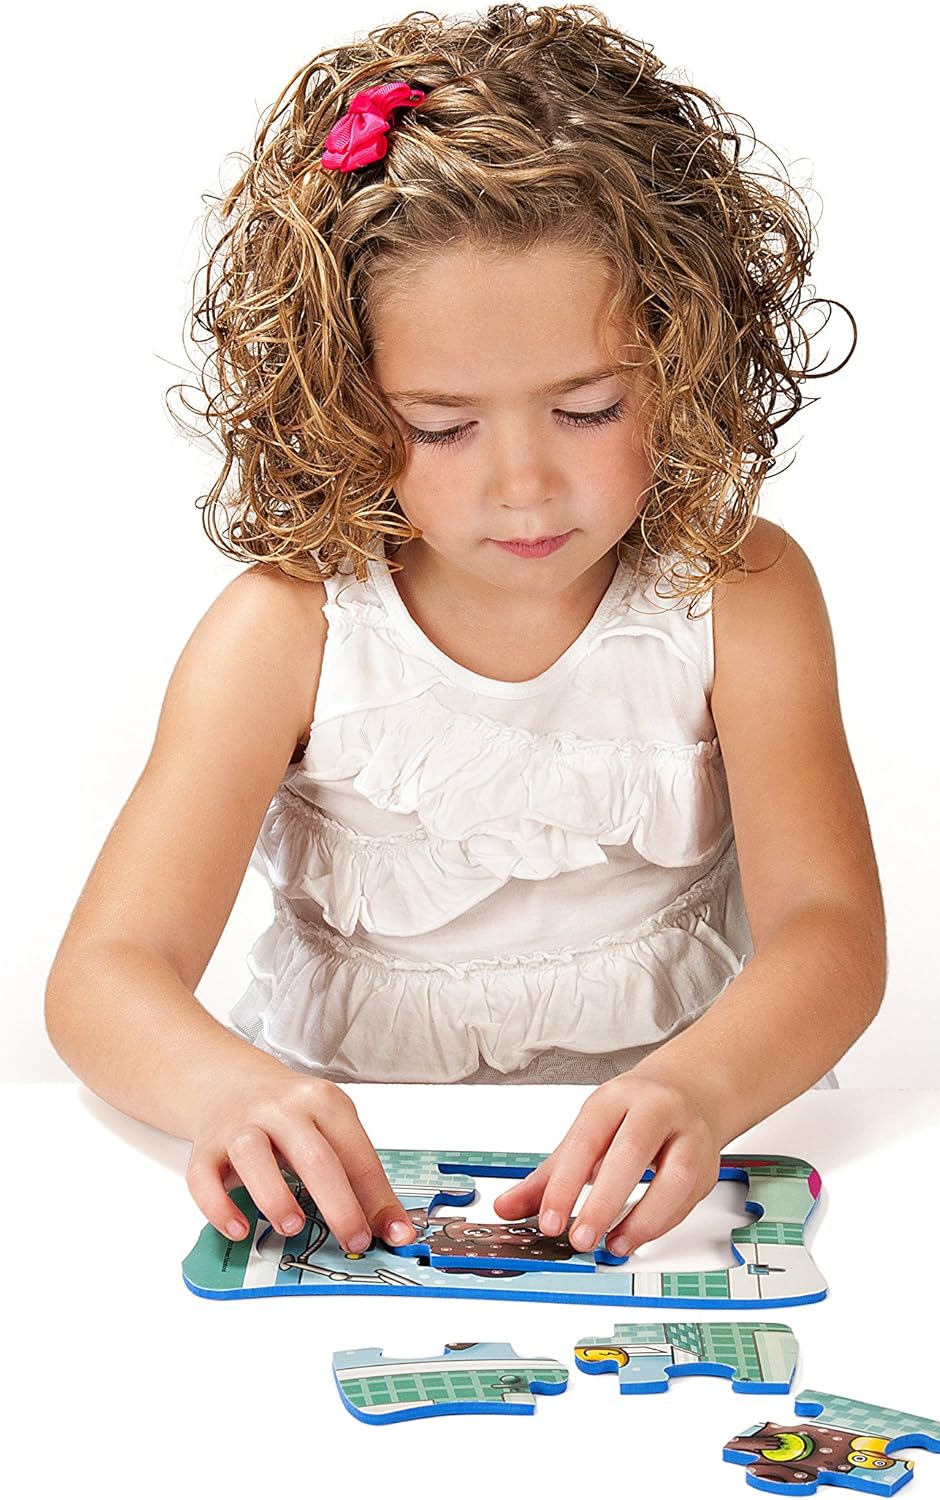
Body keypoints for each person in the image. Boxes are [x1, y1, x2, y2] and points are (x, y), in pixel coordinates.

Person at [44, 4, 886, 1265]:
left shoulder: (740, 591)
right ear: (338, 398)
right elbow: (105, 971)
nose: (524, 486)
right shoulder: (285, 629)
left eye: (587, 409)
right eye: (441, 426)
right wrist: (228, 1092)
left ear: (681, 358)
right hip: (349, 1186)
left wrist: (699, 1084)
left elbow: (831, 927)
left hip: (669, 1185)